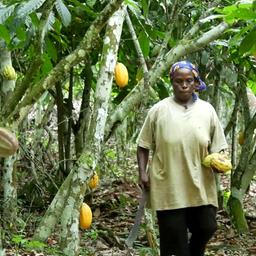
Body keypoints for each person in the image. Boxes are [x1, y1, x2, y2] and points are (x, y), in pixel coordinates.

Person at [137, 60, 228, 256]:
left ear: (196, 83)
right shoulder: (158, 110)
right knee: (175, 241)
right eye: (179, 81)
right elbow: (143, 145)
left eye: (189, 80)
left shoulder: (207, 110)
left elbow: (219, 147)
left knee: (207, 226)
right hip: (168, 185)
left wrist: (219, 162)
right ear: (172, 82)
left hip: (200, 184)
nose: (184, 85)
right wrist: (142, 173)